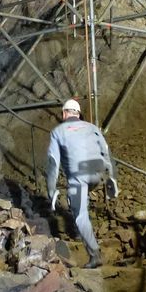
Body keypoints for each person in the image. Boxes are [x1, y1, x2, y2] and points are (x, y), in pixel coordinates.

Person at [46, 99, 118, 269]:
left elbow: (53, 163)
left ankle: (95, 255)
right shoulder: (92, 128)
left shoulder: (58, 131)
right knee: (81, 195)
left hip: (78, 177)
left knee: (80, 215)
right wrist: (112, 177)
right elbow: (107, 152)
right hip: (97, 173)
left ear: (64, 113)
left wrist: (51, 190)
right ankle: (83, 200)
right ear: (78, 114)